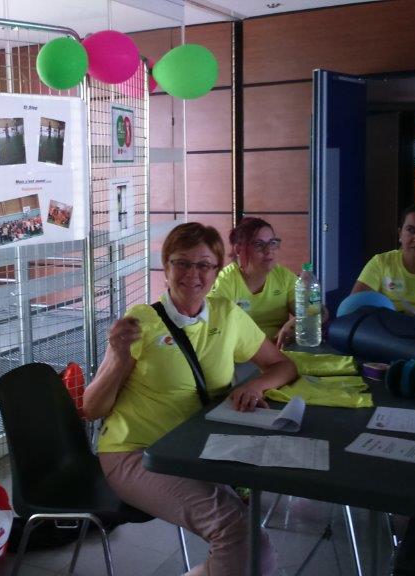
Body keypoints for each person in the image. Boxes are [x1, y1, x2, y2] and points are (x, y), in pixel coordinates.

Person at [84, 222, 299, 575]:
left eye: (204, 265)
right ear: (166, 267)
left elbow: (282, 365)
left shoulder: (227, 314)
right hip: (137, 454)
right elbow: (92, 408)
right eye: (182, 263)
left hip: (198, 450)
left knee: (254, 551)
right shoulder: (141, 322)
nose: (192, 274)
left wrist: (254, 387)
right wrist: (118, 358)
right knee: (242, 540)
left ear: (217, 270)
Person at [211, 217, 299, 346]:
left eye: (272, 243)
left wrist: (295, 324)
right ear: (238, 249)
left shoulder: (283, 276)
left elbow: (318, 312)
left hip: (280, 348)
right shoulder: (225, 282)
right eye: (258, 244)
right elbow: (216, 329)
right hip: (241, 351)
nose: (268, 251)